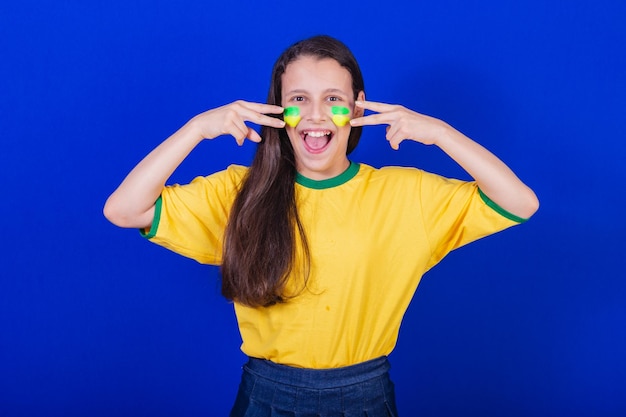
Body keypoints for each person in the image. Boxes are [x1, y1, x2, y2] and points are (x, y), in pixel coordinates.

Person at [104, 35, 539, 416]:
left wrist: (441, 133)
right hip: (264, 398)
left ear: (356, 107)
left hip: (364, 398)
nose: (315, 115)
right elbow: (124, 210)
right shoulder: (240, 192)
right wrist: (197, 128)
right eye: (298, 99)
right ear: (279, 109)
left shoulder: (408, 195)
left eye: (333, 98)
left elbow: (519, 203)